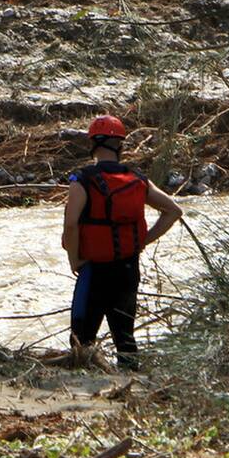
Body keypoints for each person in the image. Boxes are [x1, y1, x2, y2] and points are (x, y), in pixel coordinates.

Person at [62, 115, 183, 369]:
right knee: (125, 339)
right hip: (127, 269)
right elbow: (173, 211)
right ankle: (131, 390)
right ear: (120, 144)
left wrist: (74, 259)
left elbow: (71, 226)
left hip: (92, 269)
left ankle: (82, 393)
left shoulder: (82, 180)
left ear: (93, 143)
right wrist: (141, 243)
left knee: (81, 339)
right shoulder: (137, 179)